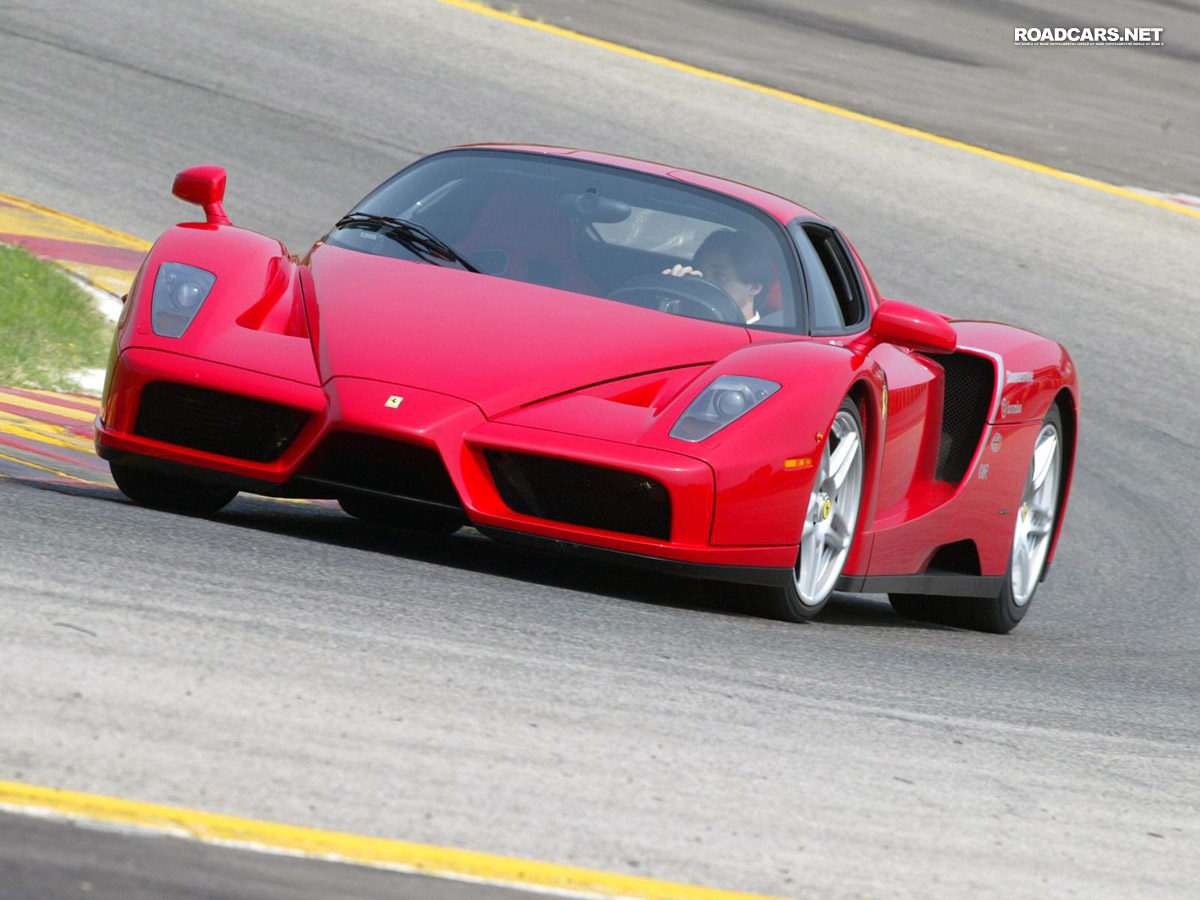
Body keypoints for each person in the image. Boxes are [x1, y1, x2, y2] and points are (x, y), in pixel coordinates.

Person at [662, 229, 771, 324]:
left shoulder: (765, 343)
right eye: (700, 272)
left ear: (754, 287)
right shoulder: (682, 316)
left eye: (719, 275)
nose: (704, 282)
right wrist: (668, 290)